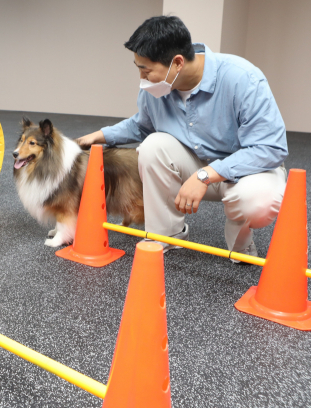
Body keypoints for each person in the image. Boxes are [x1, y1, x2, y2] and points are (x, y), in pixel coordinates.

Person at [77, 15, 288, 260]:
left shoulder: (243, 78)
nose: (142, 79)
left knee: (257, 203)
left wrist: (205, 175)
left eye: (146, 70)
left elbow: (270, 148)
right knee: (152, 146)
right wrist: (99, 136)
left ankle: (240, 237)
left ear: (177, 63)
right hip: (198, 166)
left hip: (248, 171)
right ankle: (166, 235)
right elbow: (142, 126)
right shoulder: (157, 88)